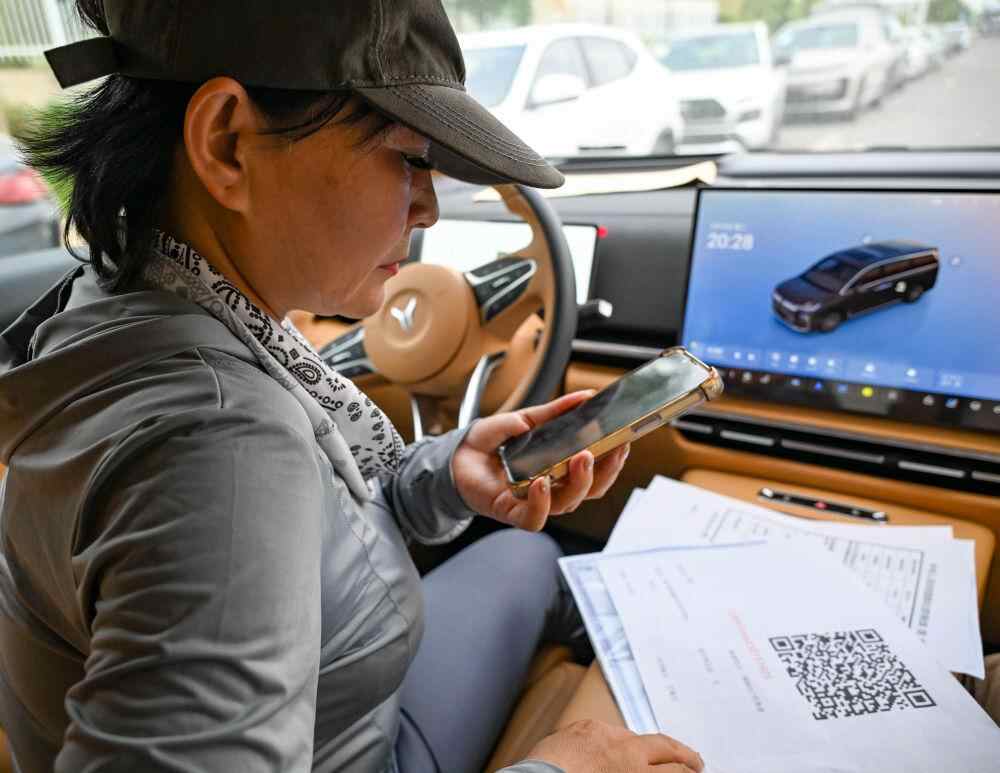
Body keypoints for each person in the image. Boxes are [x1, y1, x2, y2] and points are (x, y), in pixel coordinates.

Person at [0, 2, 705, 772]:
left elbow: (319, 522)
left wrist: (438, 478)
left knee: (529, 556)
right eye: (408, 157)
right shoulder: (222, 448)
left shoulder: (126, 302)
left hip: (344, 704)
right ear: (227, 142)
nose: (429, 205)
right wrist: (568, 766)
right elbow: (227, 502)